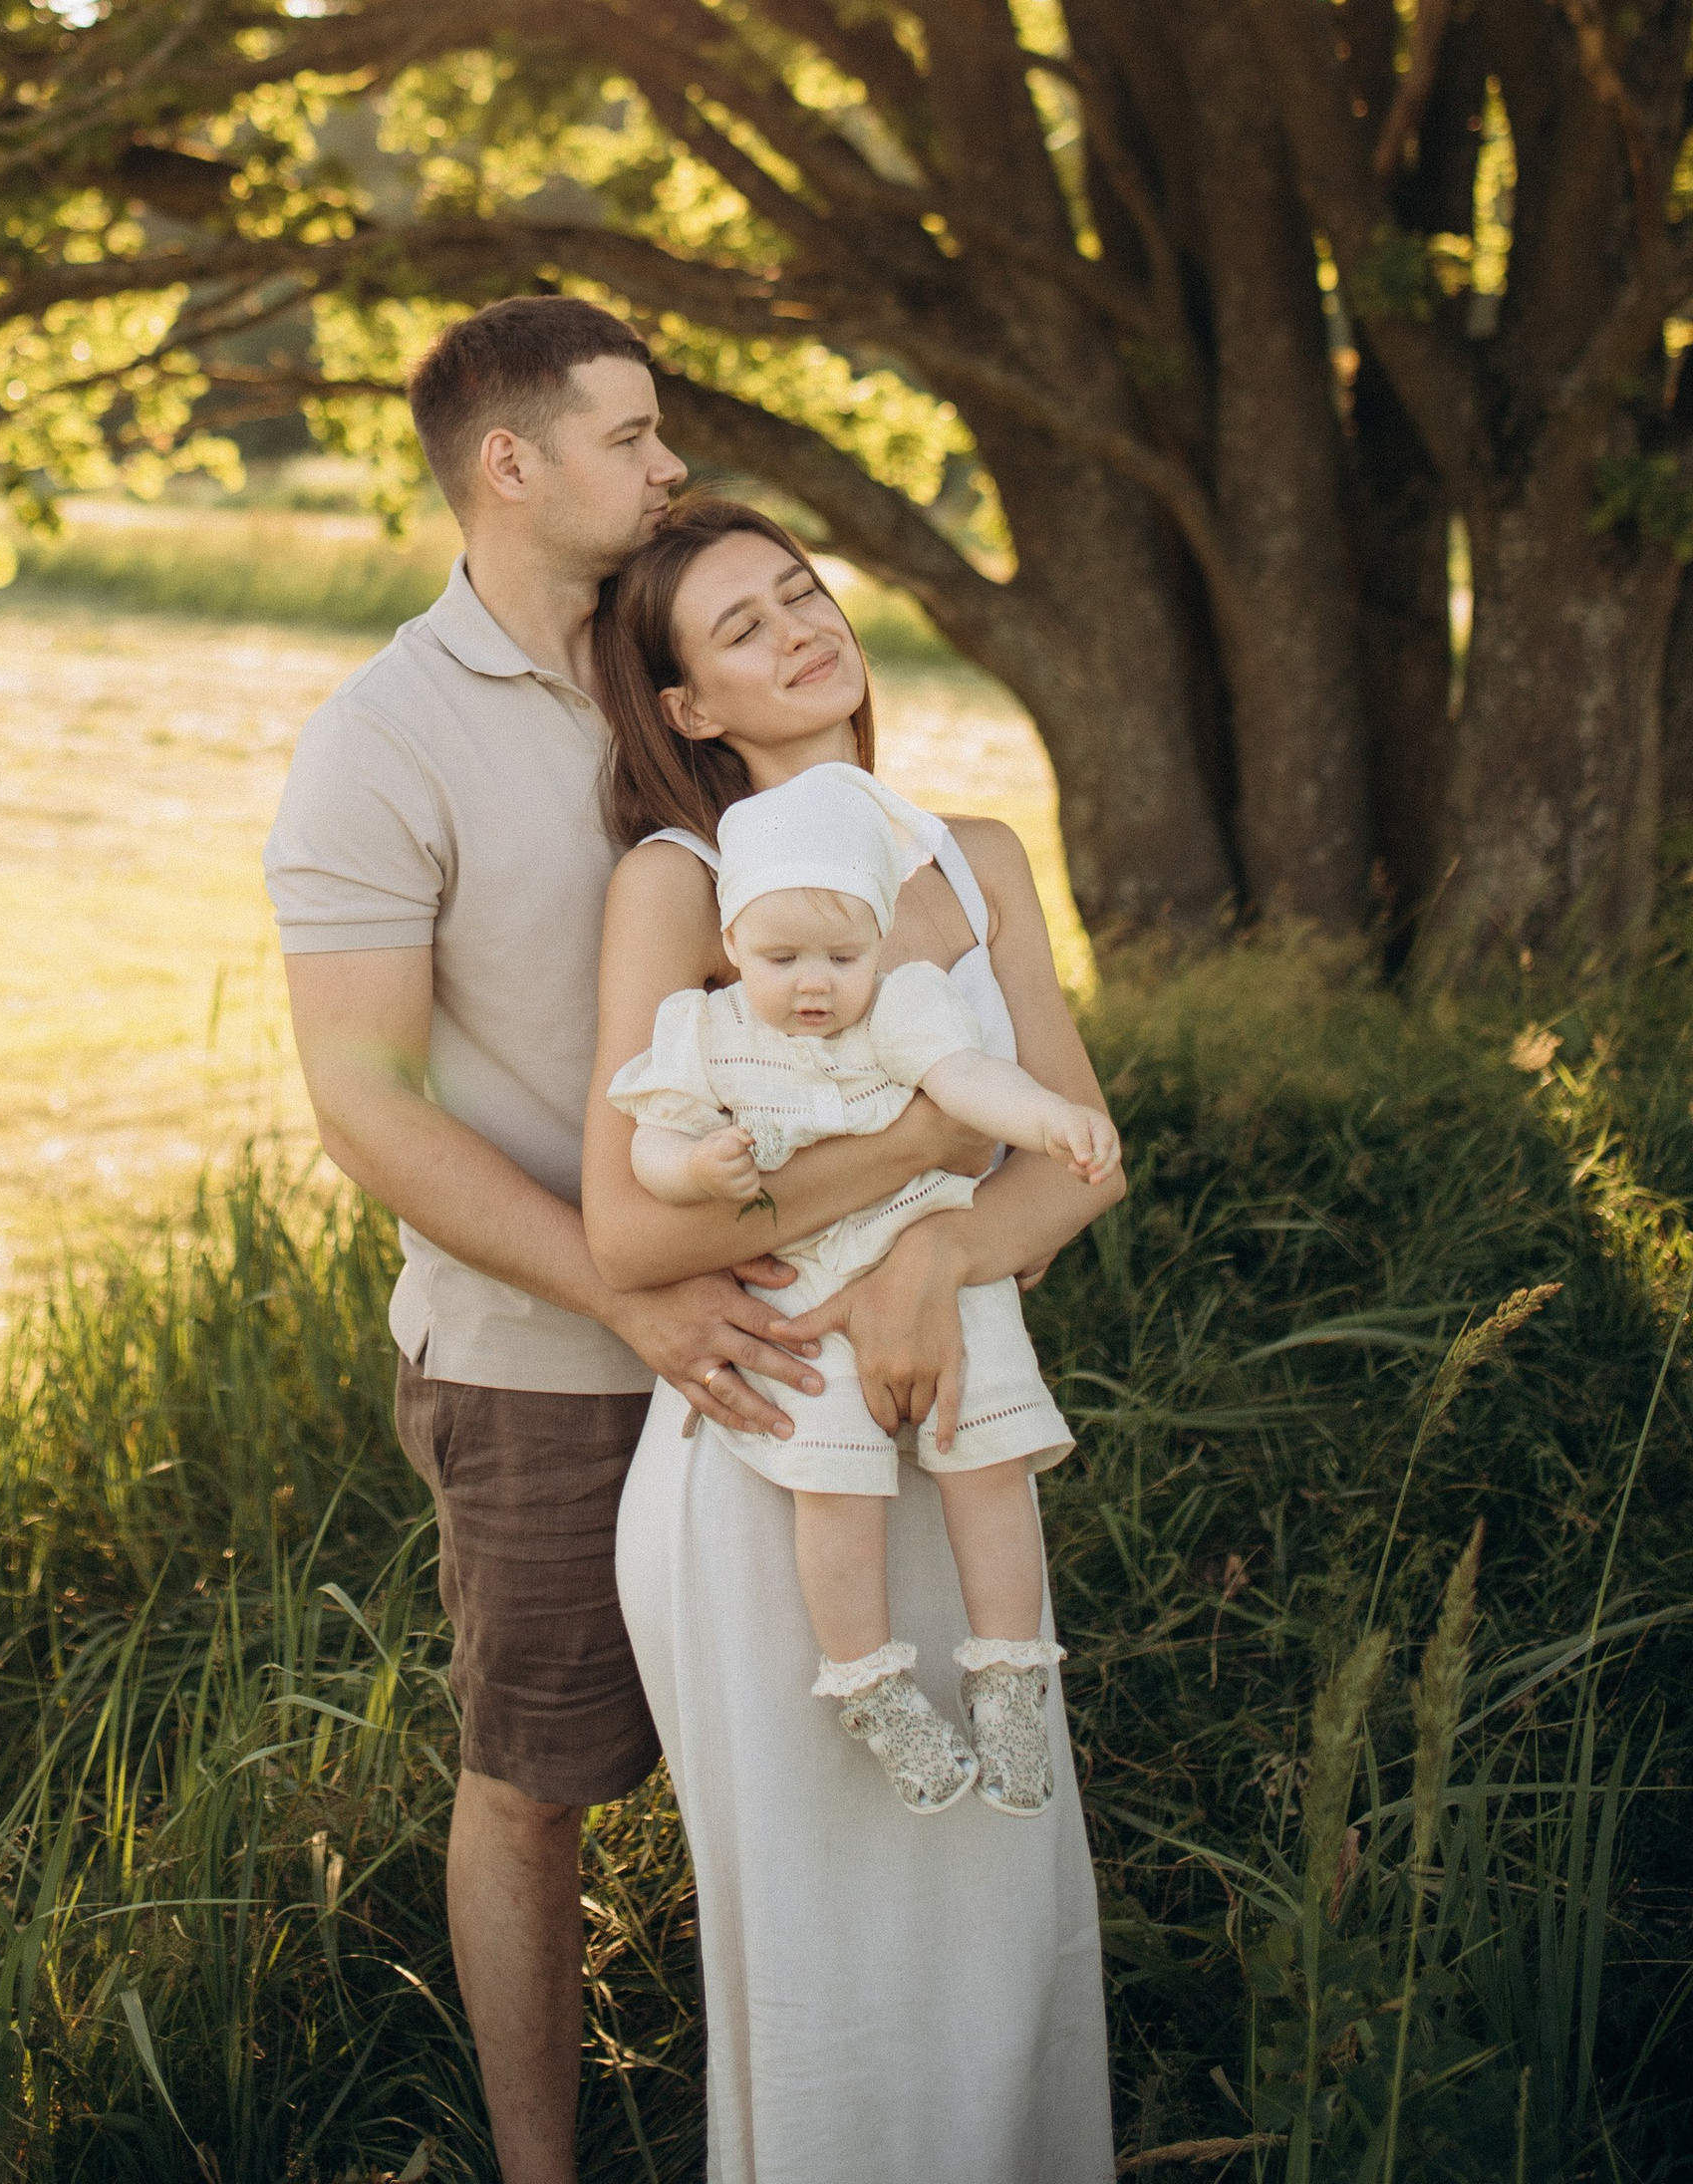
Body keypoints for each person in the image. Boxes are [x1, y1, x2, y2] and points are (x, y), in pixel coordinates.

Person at [265, 303, 1006, 2184]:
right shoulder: (382, 742)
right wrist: (634, 1291)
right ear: (512, 465)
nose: (672, 465)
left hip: (824, 1315)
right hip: (545, 1356)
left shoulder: (685, 656)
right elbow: (365, 1106)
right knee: (541, 1783)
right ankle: (543, 2167)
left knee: (831, 1760)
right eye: (632, 436)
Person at [587, 496, 1120, 2184]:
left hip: (954, 1416)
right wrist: (913, 1156)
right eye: (741, 626)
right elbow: (635, 1231)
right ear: (689, 707)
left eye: (803, 592)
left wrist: (943, 1251)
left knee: (994, 1920)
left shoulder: (979, 857)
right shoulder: (680, 884)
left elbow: (1085, 1156)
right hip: (772, 1434)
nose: (802, 628)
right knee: (831, 1946)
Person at [611, 762, 1121, 1819]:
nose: (814, 984)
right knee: (834, 1489)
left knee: (987, 1460)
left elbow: (969, 1083)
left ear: (879, 945)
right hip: (804, 1290)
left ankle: (1010, 1673)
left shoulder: (899, 1008)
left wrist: (1048, 1121)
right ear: (731, 945)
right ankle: (869, 1683)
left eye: (842, 958)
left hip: (928, 1253)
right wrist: (695, 1169)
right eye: (782, 958)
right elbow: (649, 1147)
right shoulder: (708, 1033)